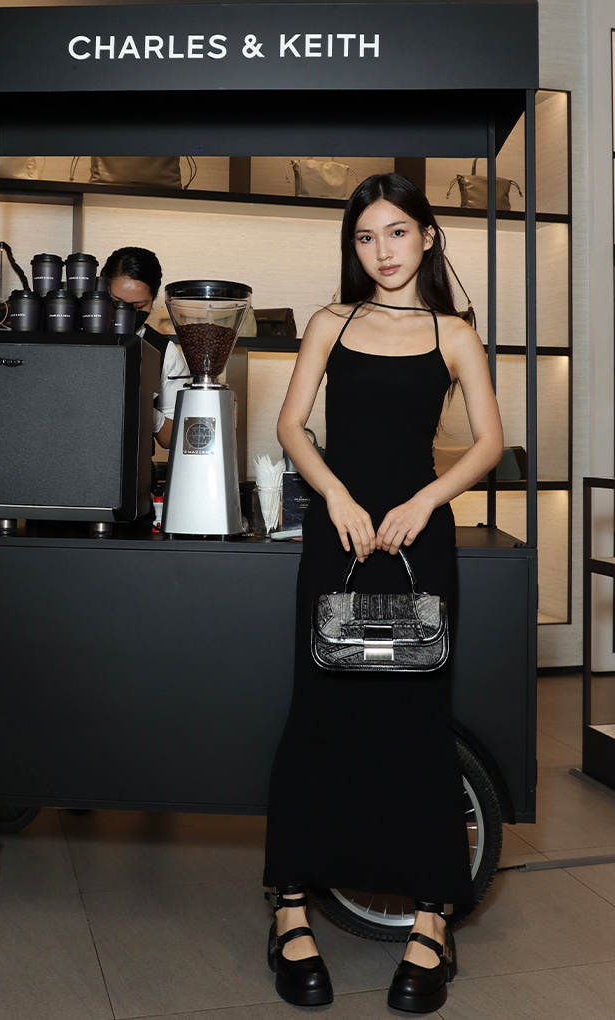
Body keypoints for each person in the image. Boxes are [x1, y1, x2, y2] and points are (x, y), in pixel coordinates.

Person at [264, 173, 504, 1014]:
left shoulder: (455, 334)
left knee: (415, 721)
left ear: (427, 236)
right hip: (337, 541)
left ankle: (432, 916)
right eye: (366, 237)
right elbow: (291, 424)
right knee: (320, 713)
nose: (382, 251)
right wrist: (333, 495)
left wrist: (426, 501)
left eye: (397, 232)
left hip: (417, 541)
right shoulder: (330, 322)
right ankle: (290, 906)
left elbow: (489, 443)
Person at [102, 246, 188, 450]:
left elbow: (174, 438)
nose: (125, 312)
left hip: (131, 461)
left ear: (153, 301)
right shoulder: (73, 332)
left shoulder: (164, 352)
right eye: (116, 302)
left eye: (138, 307)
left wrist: (149, 414)